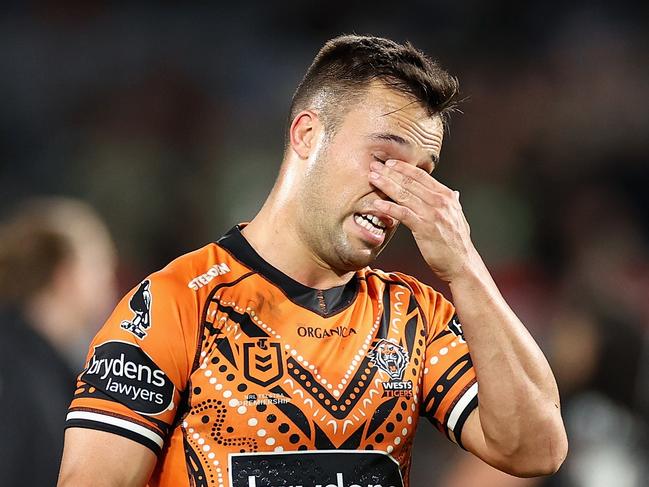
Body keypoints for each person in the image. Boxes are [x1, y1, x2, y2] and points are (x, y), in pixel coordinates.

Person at [57, 35, 567, 487]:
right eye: (385, 159)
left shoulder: (415, 317)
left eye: (422, 174)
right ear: (306, 135)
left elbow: (536, 448)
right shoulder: (176, 304)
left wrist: (464, 265)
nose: (399, 194)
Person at [0, 197, 117, 486]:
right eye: (101, 267)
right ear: (66, 276)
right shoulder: (22, 377)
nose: (110, 283)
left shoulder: (44, 364)